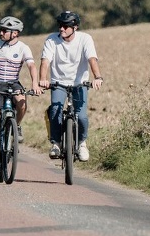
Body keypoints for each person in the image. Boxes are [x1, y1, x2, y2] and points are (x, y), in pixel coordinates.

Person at [0, 15, 38, 174]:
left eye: (5, 30)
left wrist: (35, 83)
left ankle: (16, 126)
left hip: (13, 83)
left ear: (15, 33)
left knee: (22, 102)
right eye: (1, 29)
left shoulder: (23, 47)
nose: (1, 32)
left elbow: (31, 66)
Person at [37, 10, 103, 162]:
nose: (61, 29)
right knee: (55, 109)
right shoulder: (51, 40)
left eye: (65, 26)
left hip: (80, 83)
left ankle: (81, 144)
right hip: (58, 82)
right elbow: (45, 61)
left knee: (81, 116)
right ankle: (56, 143)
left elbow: (92, 59)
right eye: (60, 25)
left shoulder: (85, 39)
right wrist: (43, 79)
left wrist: (97, 77)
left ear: (75, 27)